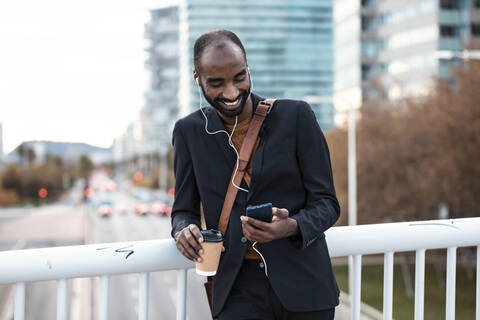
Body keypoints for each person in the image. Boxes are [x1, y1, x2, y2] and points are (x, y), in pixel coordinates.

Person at [171, 29, 340, 320]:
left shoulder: (296, 117)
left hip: (306, 287)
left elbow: (328, 204)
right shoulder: (188, 132)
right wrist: (182, 230)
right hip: (237, 291)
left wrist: (291, 226)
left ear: (248, 68)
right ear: (197, 78)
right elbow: (183, 210)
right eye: (216, 83)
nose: (231, 92)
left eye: (239, 77)